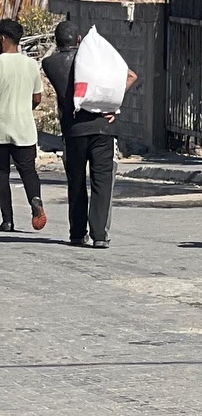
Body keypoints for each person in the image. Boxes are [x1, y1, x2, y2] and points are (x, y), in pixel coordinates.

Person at [41, 20, 138, 248]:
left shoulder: (49, 63)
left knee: (76, 182)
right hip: (103, 128)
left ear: (57, 42)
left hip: (74, 132)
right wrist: (112, 103)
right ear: (79, 40)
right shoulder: (95, 60)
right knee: (102, 181)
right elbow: (131, 76)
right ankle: (100, 236)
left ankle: (77, 234)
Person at [0, 19, 45, 233]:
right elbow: (37, 98)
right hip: (25, 128)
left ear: (2, 38)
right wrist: (25, 108)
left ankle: (7, 220)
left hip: (1, 129)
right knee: (28, 171)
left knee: (1, 174)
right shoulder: (31, 64)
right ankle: (35, 199)